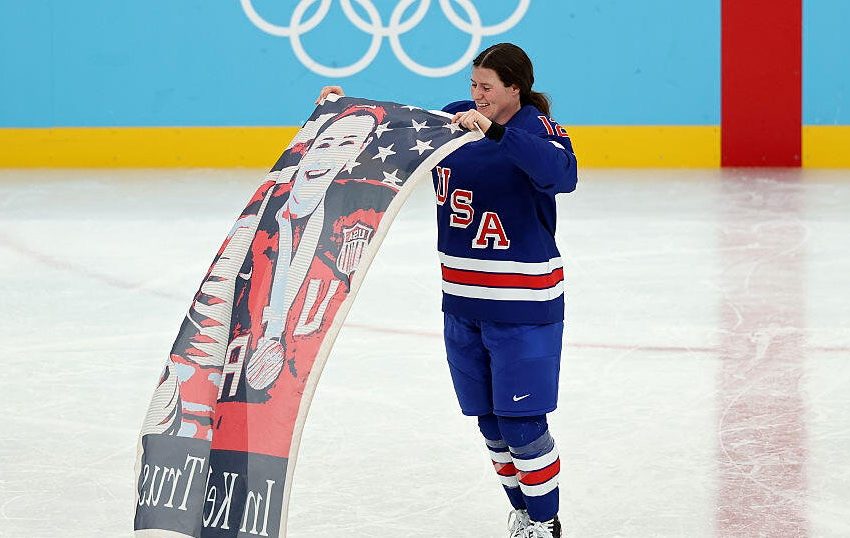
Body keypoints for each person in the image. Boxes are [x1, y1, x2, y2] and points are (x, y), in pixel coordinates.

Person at [317, 42, 577, 538]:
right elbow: (396, 129)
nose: (476, 95)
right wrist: (340, 110)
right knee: (491, 425)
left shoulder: (537, 130)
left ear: (514, 89)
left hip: (522, 306)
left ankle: (547, 524)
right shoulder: (455, 119)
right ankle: (525, 514)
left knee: (523, 425)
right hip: (461, 303)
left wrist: (496, 133)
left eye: (487, 87)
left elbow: (562, 175)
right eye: (472, 85)